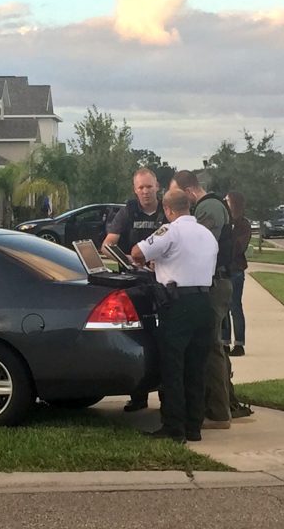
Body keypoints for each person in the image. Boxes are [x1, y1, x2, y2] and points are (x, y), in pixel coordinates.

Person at [131, 189, 217, 443]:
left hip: (178, 305)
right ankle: (194, 427)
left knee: (173, 367)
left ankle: (173, 426)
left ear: (168, 210)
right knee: (196, 368)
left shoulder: (170, 230)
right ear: (189, 206)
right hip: (204, 303)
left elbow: (137, 253)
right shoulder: (206, 234)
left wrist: (154, 262)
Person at [170, 170, 233, 429]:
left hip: (215, 284)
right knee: (210, 345)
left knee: (211, 346)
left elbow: (199, 245)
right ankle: (219, 405)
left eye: (177, 195)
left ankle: (218, 411)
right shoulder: (212, 206)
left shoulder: (208, 209)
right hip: (214, 281)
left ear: (188, 192)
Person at [101, 167, 166, 412]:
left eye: (149, 186)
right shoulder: (127, 211)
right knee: (136, 339)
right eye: (140, 187)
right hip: (133, 283)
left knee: (163, 340)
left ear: (157, 186)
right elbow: (107, 246)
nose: (145, 192)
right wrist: (129, 258)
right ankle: (138, 396)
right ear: (134, 190)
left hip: (161, 282)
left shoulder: (166, 211)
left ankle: (165, 397)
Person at [223, 191, 252, 357]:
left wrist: (227, 246)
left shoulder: (243, 225)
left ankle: (239, 343)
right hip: (223, 270)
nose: (225, 202)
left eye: (227, 200)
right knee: (224, 308)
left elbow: (239, 246)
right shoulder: (225, 223)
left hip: (236, 270)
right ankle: (225, 342)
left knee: (235, 306)